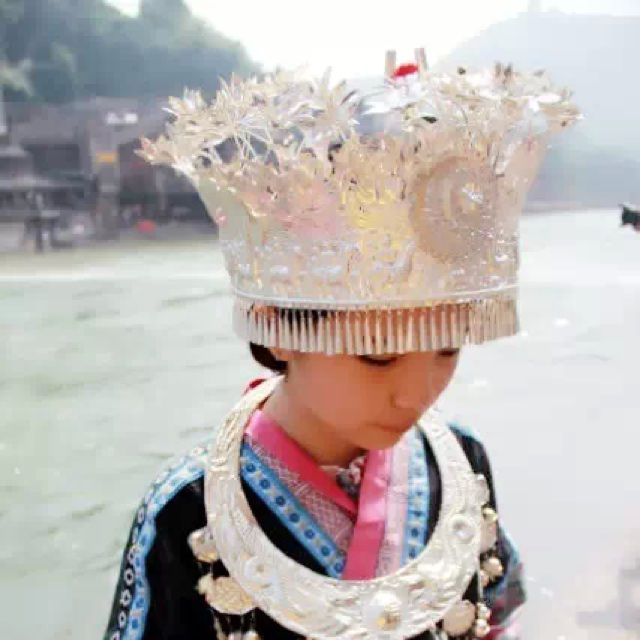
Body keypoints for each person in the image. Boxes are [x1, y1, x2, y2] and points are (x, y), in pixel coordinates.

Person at [105, 50, 579, 640]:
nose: (416, 393)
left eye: (446, 349)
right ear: (281, 329)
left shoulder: (461, 460)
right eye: (378, 355)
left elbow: (495, 616)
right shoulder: (186, 508)